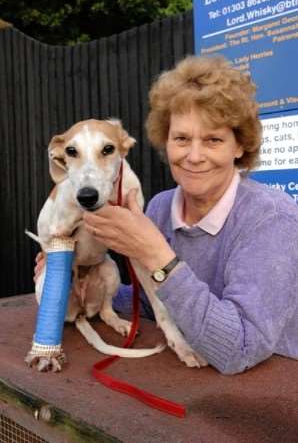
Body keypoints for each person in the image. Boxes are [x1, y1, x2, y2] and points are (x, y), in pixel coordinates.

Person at [37, 56, 298, 375]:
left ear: (240, 146)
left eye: (213, 139)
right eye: (182, 139)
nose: (195, 156)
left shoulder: (272, 220)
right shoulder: (161, 207)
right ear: (166, 142)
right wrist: (80, 278)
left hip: (272, 392)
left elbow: (238, 350)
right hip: (192, 389)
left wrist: (156, 255)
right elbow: (161, 299)